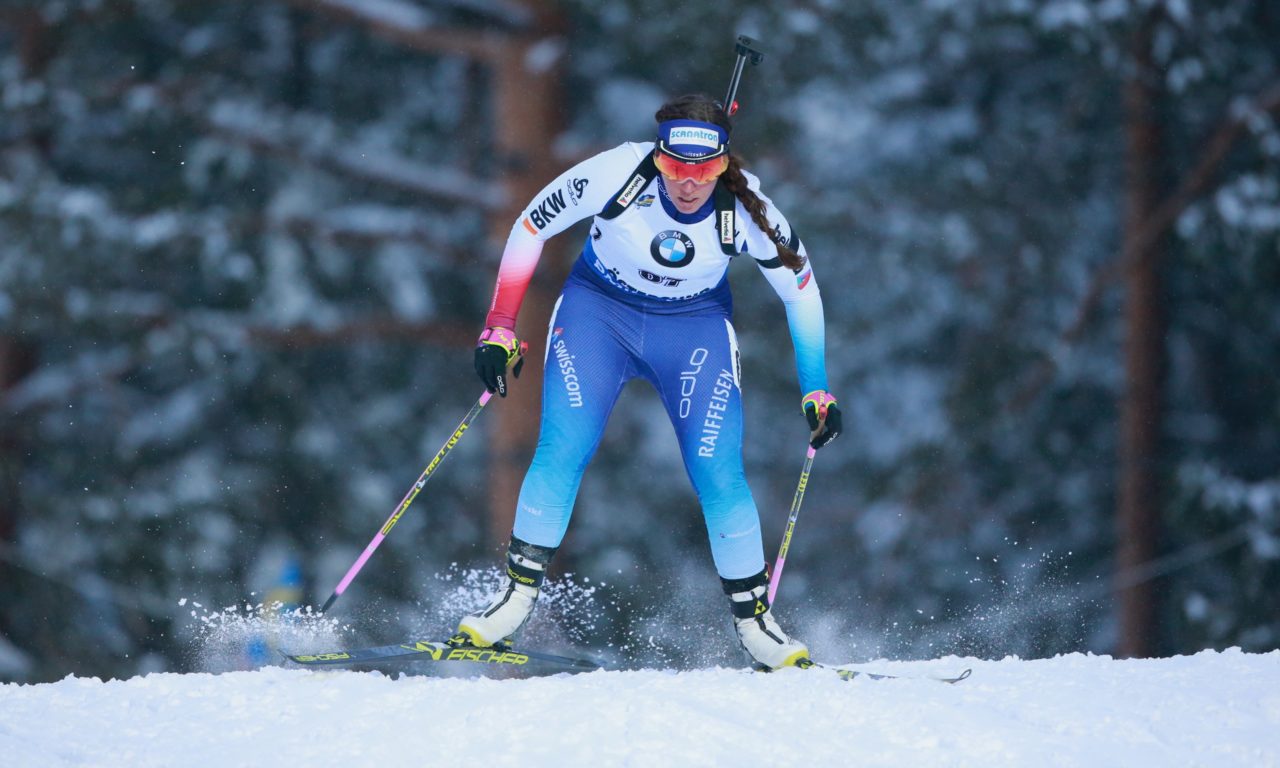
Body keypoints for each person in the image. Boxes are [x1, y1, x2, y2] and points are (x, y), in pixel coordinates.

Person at [453, 94, 842, 670]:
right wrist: (499, 327)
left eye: (705, 171)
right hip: (598, 315)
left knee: (718, 469)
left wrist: (816, 387)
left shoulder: (747, 207)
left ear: (724, 166)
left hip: (691, 329)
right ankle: (513, 602)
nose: (689, 185)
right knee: (563, 448)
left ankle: (758, 626)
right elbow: (532, 224)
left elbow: (801, 289)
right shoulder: (616, 172)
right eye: (675, 168)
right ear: (657, 157)